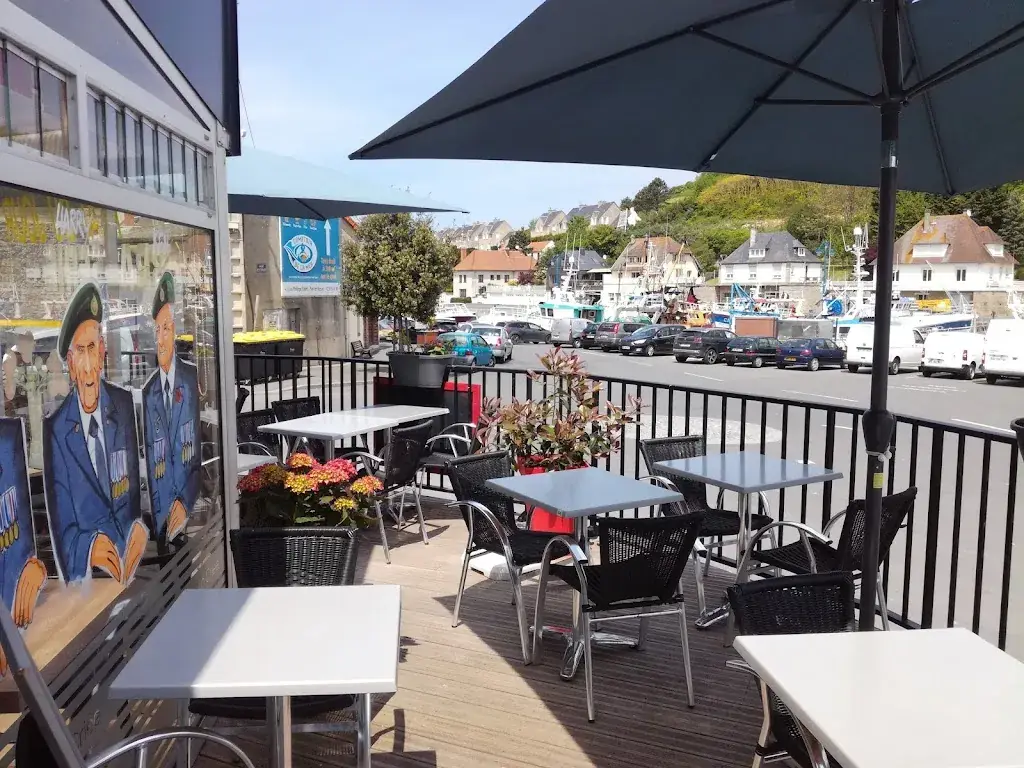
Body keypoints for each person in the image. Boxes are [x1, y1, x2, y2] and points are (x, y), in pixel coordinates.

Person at [42, 283, 148, 584]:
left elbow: (130, 495)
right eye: (80, 351)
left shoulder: (122, 405)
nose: (89, 366)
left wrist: (138, 528)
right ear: (70, 365)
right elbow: (63, 532)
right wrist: (89, 548)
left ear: (102, 353)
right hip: (91, 586)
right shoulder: (57, 431)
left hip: (133, 572)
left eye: (93, 349)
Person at [142, 273, 200, 542]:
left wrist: (184, 501)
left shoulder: (189, 377)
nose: (161, 339)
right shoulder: (149, 391)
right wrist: (162, 512)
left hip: (186, 504)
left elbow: (194, 452)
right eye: (157, 331)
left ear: (175, 332)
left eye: (166, 329)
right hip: (162, 511)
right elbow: (156, 460)